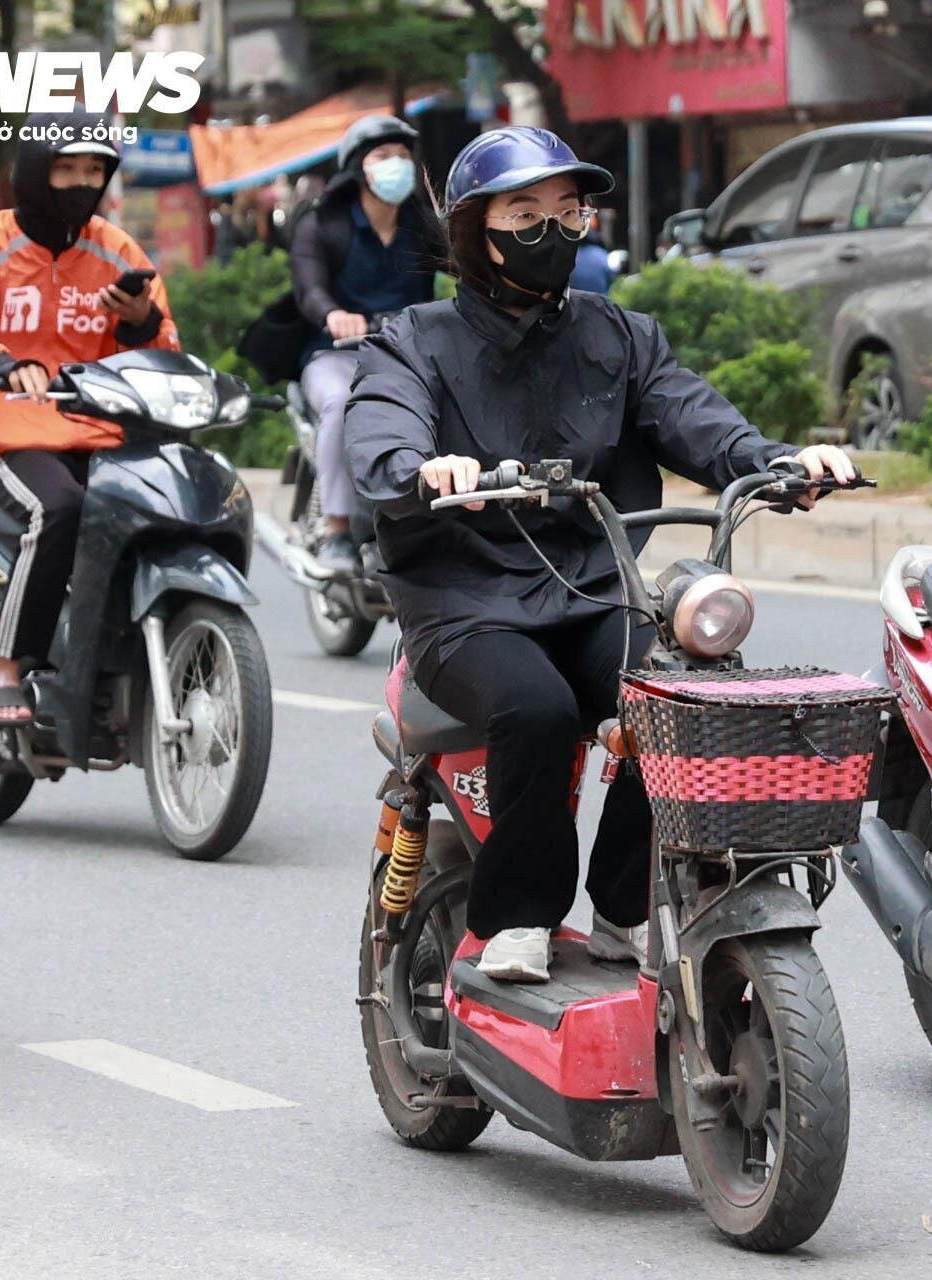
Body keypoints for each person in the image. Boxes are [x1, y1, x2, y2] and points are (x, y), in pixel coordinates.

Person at [345, 127, 855, 982]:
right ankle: (518, 915)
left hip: (589, 588)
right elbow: (380, 434)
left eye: (567, 210)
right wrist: (420, 467)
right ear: (477, 229)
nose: (553, 229)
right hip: (464, 599)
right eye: (525, 213)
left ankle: (623, 909)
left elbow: (695, 417)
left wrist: (777, 463)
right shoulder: (413, 339)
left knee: (681, 696)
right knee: (538, 709)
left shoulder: (618, 335)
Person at [0, 108, 180, 727]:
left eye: (95, 169)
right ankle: (5, 663)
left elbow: (162, 352)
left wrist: (139, 320)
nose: (82, 182)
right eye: (66, 169)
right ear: (35, 172)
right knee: (55, 508)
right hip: (5, 428)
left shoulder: (117, 250)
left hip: (102, 431)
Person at [290, 114, 439, 574]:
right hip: (335, 356)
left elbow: (468, 267)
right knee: (341, 402)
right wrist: (334, 314)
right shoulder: (322, 224)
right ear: (357, 166)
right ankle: (336, 528)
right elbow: (308, 287)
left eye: (402, 156)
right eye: (382, 156)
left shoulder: (423, 225)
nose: (396, 165)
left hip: (407, 357)